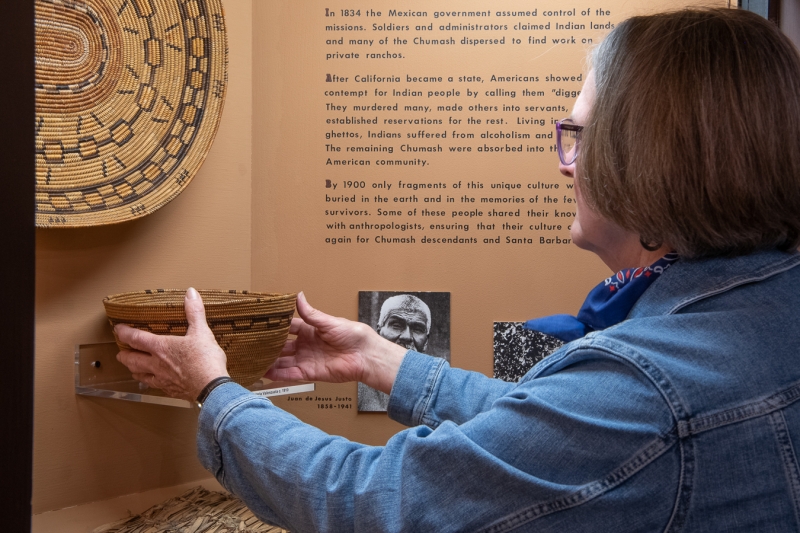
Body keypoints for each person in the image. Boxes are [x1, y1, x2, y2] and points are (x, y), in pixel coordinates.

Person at [116, 8, 800, 532]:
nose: (565, 165)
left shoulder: (649, 388)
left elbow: (373, 496)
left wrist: (213, 390)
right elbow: (560, 432)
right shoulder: (765, 303)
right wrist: (383, 361)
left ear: (644, 161)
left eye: (579, 137)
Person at [359, 294, 433, 411]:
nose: (407, 337)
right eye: (397, 326)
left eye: (417, 329)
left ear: (426, 342)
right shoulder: (358, 383)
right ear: (379, 334)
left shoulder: (435, 390)